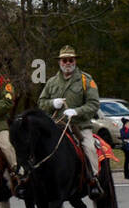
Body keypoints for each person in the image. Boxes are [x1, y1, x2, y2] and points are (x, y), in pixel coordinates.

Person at [38, 46, 104, 198]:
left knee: (89, 148)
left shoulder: (86, 80)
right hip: (56, 126)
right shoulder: (52, 82)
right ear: (60, 62)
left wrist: (76, 111)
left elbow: (94, 104)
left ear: (75, 61)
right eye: (64, 60)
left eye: (70, 60)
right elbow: (41, 102)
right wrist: (52, 103)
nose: (67, 63)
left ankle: (94, 180)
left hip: (79, 126)